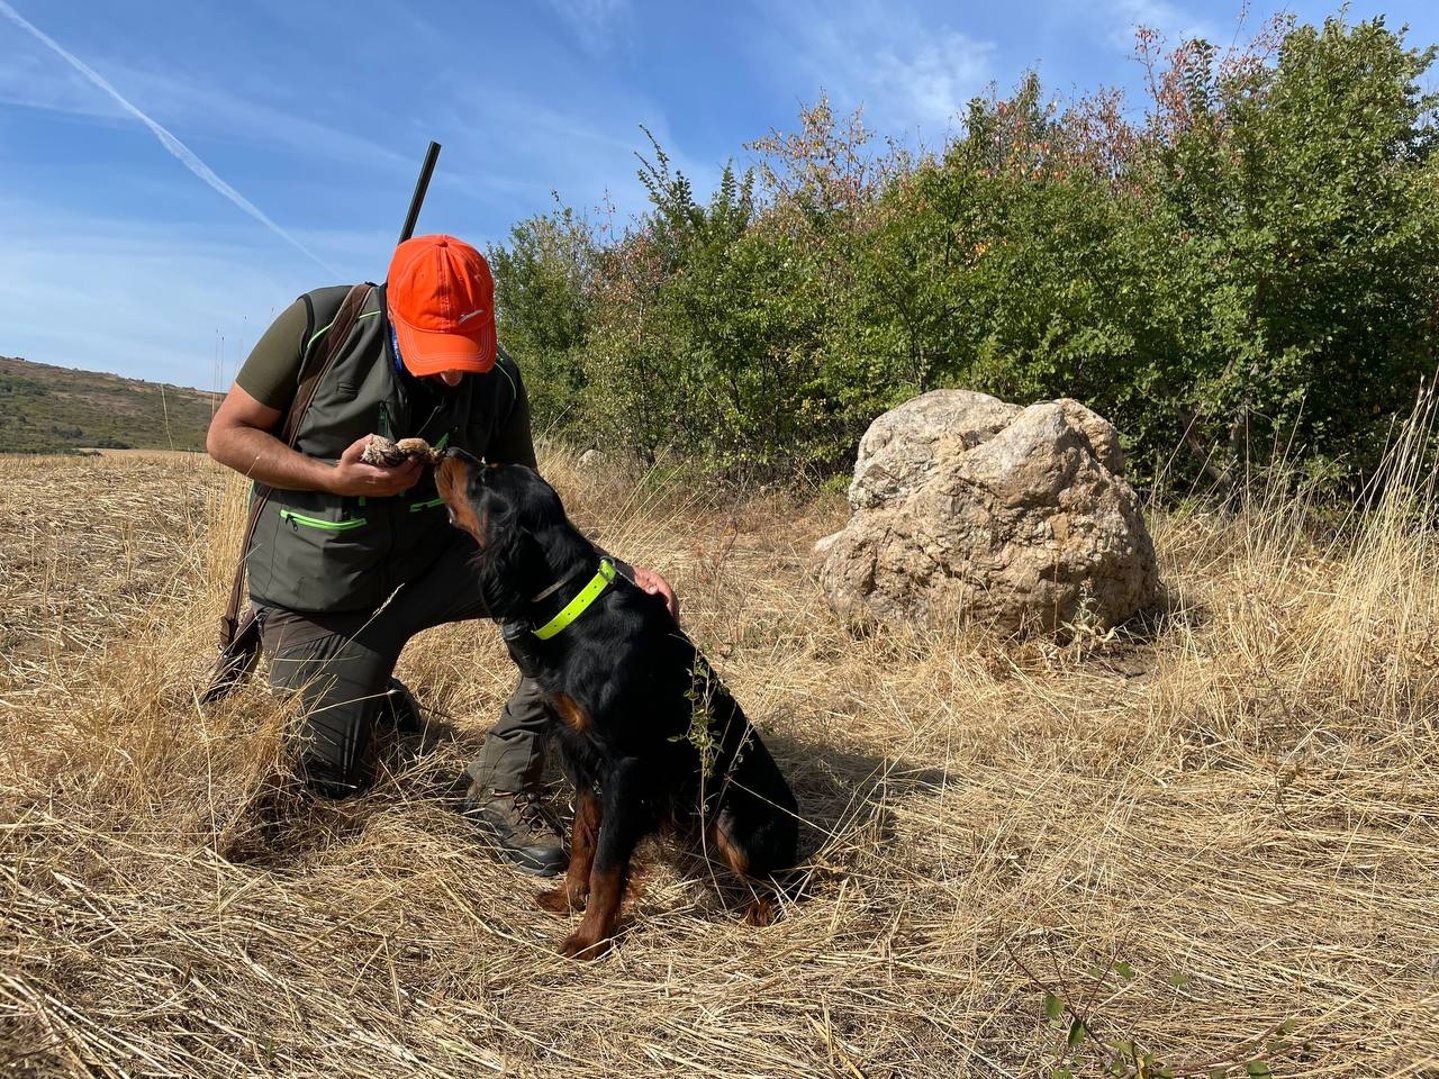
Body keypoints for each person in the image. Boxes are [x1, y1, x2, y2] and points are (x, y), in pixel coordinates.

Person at [206, 233, 676, 876]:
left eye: (466, 353)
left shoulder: (500, 380)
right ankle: (371, 688)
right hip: (320, 583)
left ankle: (501, 782)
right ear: (394, 312)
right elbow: (225, 436)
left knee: (599, 611)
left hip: (436, 563)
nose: (453, 373)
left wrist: (616, 572)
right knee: (329, 780)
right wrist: (332, 478)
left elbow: (527, 518)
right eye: (434, 351)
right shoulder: (321, 325)